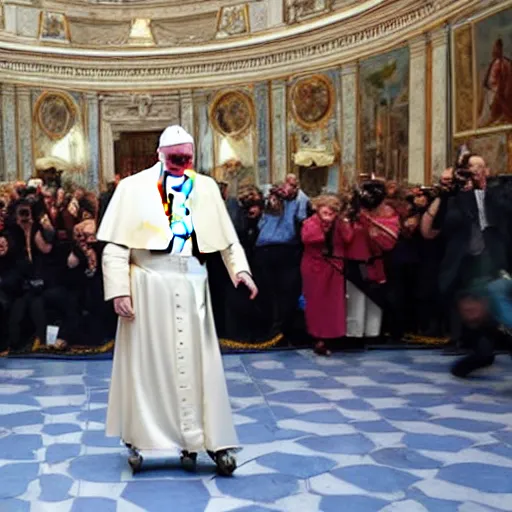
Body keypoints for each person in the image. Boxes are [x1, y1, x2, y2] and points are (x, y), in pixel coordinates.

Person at [97, 125, 257, 476]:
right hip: (148, 283)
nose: (182, 164)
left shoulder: (206, 187)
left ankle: (206, 438)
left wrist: (240, 271)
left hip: (192, 281)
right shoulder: (132, 188)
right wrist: (119, 289)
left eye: (187, 158)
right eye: (175, 158)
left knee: (200, 364)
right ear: (159, 155)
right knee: (148, 364)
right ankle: (144, 436)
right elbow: (116, 246)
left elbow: (228, 240)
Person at [301, 194, 353, 356]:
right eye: (326, 213)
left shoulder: (340, 223)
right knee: (316, 303)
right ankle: (318, 337)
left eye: (332, 213)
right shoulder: (310, 222)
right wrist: (324, 227)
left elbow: (348, 238)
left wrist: (343, 223)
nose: (329, 216)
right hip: (315, 267)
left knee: (334, 305)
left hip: (334, 268)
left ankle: (331, 337)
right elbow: (308, 238)